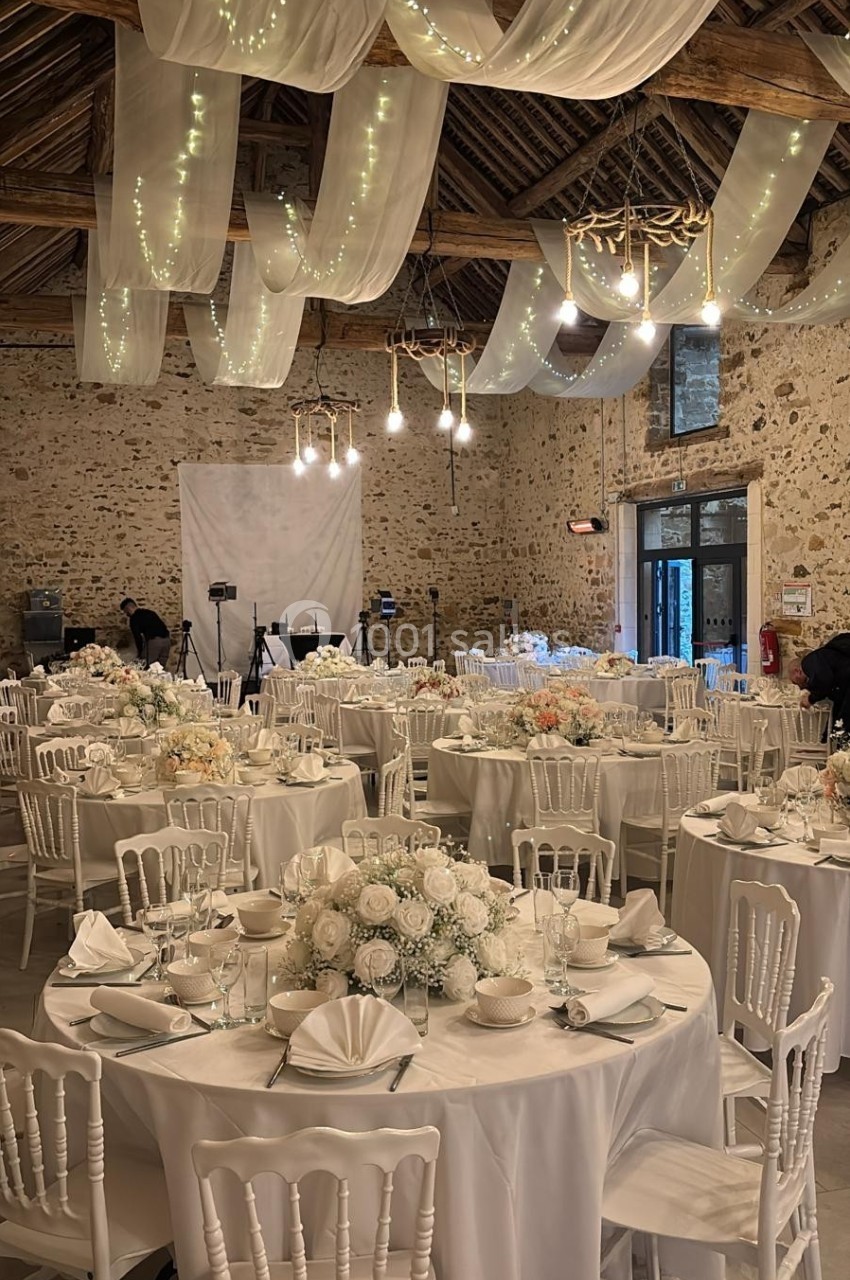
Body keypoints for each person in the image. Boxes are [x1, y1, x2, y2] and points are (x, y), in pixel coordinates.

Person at [788, 633, 850, 726]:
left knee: (842, 726)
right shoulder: (819, 659)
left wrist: (810, 699)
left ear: (797, 671)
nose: (800, 687)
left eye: (795, 682)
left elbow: (824, 682)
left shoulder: (808, 663)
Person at [120, 597, 171, 668]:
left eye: (125, 612)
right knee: (160, 668)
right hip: (167, 641)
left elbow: (138, 637)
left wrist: (140, 653)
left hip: (154, 642)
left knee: (146, 667)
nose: (126, 614)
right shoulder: (150, 612)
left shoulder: (134, 618)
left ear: (128, 608)